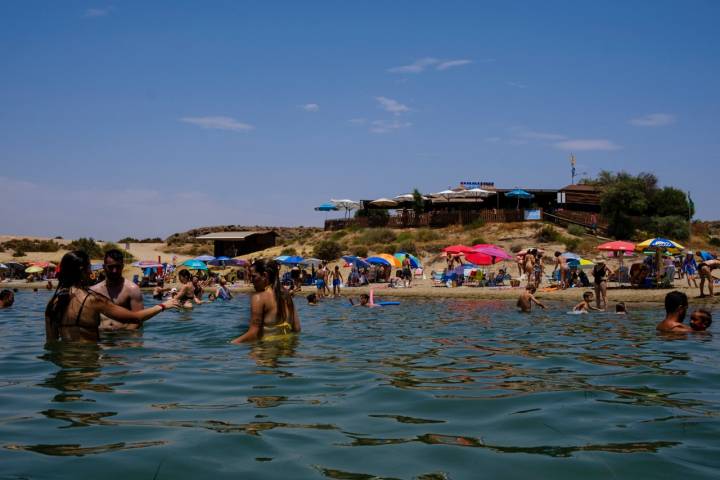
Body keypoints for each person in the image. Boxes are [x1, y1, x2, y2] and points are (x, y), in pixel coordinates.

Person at [45, 251, 178, 343]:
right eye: (89, 268)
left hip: (65, 361)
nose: (91, 272)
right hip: (87, 360)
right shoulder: (92, 299)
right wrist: (163, 306)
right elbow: (136, 317)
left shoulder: (53, 303)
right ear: (82, 270)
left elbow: (51, 342)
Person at [231, 259, 300, 343]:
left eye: (253, 276)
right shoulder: (286, 295)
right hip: (287, 350)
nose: (251, 281)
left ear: (264, 275)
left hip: (266, 351)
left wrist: (230, 344)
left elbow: (253, 334)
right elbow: (297, 328)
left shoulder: (259, 298)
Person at [90, 249, 145, 331]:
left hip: (125, 337)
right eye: (111, 267)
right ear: (104, 267)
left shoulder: (132, 289)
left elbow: (138, 319)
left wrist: (123, 337)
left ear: (122, 266)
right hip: (102, 338)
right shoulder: (93, 291)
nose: (114, 270)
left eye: (118, 267)